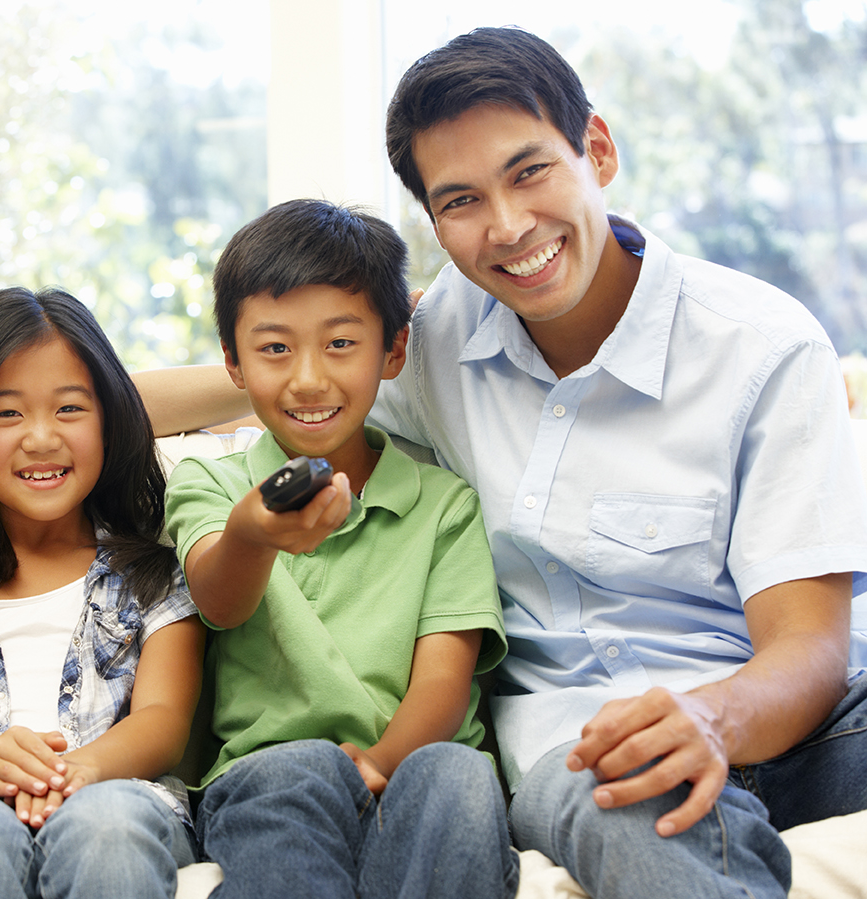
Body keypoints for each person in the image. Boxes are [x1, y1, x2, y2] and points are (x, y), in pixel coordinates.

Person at [372, 25, 867, 898]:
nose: (509, 226)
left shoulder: (761, 344)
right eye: (461, 201)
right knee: (627, 793)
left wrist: (711, 717)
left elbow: (809, 647)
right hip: (583, 744)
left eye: (530, 172)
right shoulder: (433, 339)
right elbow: (273, 380)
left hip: (789, 718)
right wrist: (228, 363)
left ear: (596, 150)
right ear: (435, 222)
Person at [164, 199, 519, 899]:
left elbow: (445, 682)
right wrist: (252, 534)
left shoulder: (444, 504)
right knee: (288, 774)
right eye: (274, 348)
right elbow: (219, 599)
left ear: (392, 351)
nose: (307, 378)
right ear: (233, 363)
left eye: (339, 344)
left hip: (417, 757)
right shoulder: (212, 480)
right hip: (272, 767)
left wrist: (381, 762)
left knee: (460, 774)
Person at [0, 287, 204, 899]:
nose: (41, 437)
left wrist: (78, 772)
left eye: (70, 409)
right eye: (7, 414)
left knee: (106, 825)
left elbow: (163, 723)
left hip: (118, 796)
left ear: (111, 420)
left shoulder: (154, 573)